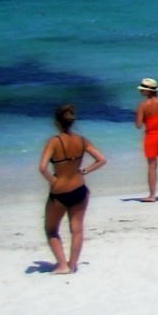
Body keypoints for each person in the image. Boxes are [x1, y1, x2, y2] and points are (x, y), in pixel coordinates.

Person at [38, 103, 105, 274]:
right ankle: (72, 265)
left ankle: (62, 264)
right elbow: (101, 159)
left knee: (51, 229)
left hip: (59, 192)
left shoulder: (54, 142)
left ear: (57, 122)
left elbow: (43, 167)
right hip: (79, 189)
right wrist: (84, 170)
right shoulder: (81, 140)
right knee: (77, 230)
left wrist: (52, 180)